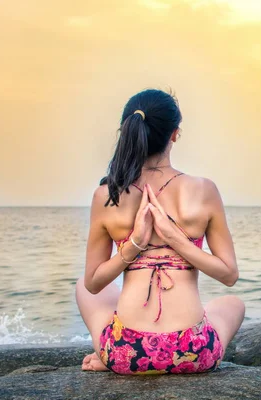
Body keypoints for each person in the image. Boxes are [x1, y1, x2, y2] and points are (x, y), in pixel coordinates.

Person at [75, 88, 245, 375]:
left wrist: (133, 246)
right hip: (192, 351)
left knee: (82, 285)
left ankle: (105, 355)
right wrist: (180, 241)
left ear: (127, 130)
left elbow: (93, 284)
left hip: (126, 352)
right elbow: (229, 275)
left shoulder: (107, 195)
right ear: (174, 133)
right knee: (233, 304)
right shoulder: (204, 190)